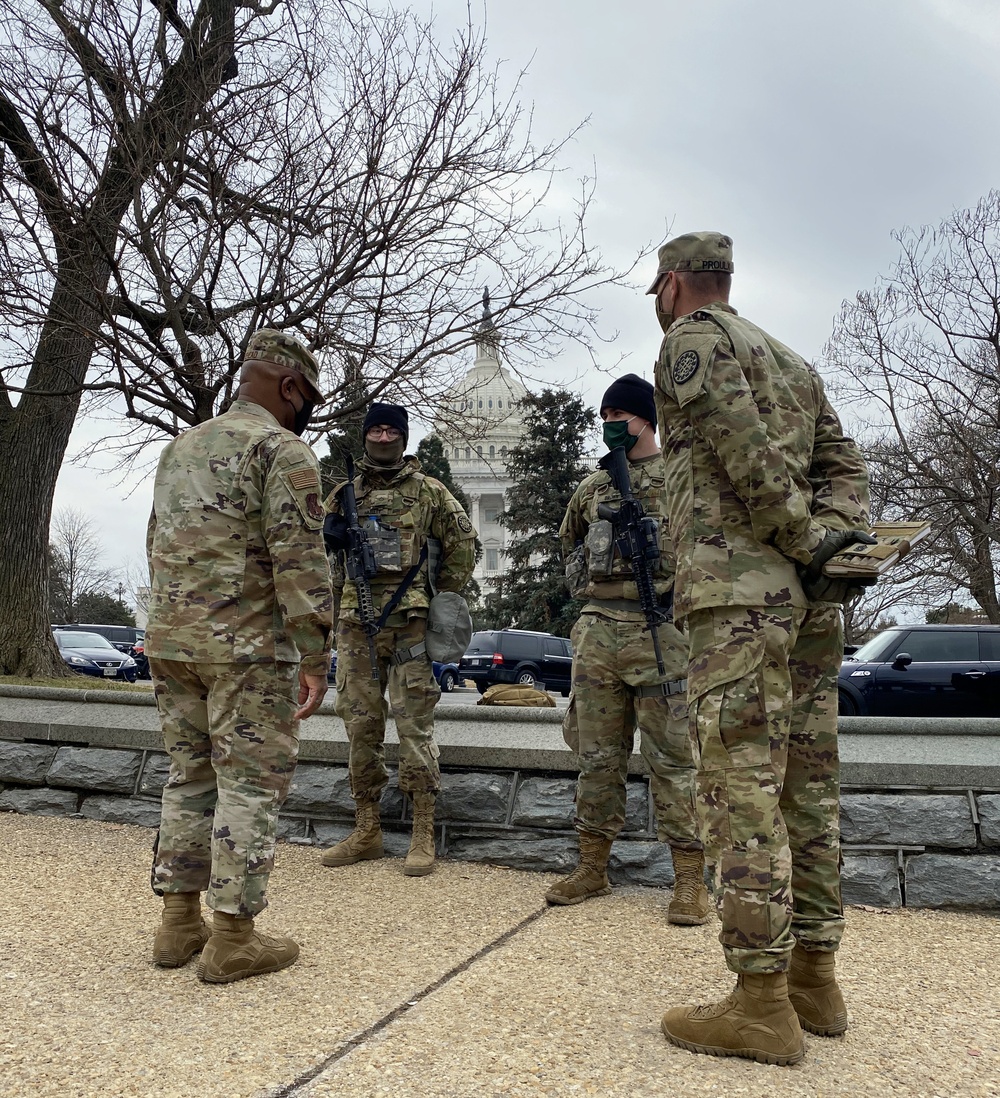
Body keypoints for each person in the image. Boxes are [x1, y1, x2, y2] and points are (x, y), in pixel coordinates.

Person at [649, 232, 872, 1065]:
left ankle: (761, 1002)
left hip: (738, 598)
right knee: (807, 790)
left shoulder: (692, 341)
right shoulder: (793, 361)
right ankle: (816, 976)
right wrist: (834, 543)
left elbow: (743, 453)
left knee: (739, 789)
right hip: (808, 606)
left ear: (673, 284)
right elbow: (843, 461)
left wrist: (801, 537)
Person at [146, 329, 334, 985]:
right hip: (246, 647)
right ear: (289, 387)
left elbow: (156, 543)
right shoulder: (282, 450)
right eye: (307, 397)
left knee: (189, 776)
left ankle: (178, 925)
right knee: (247, 784)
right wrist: (316, 654)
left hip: (170, 640)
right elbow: (301, 561)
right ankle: (232, 937)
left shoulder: (180, 449)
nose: (306, 409)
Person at [545, 374, 710, 927]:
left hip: (660, 629)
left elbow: (706, 551)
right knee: (597, 756)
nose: (612, 421)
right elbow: (568, 544)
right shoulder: (592, 488)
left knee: (674, 760)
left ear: (646, 418)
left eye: (622, 412)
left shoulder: (680, 478)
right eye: (605, 412)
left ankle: (689, 879)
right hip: (598, 632)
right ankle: (592, 865)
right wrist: (587, 585)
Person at [320, 402, 476, 876]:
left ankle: (422, 831)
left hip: (409, 623)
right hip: (355, 624)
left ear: (404, 439)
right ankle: (367, 828)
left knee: (414, 728)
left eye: (392, 430)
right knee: (359, 726)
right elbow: (324, 558)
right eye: (376, 429)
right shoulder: (343, 496)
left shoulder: (429, 492)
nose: (383, 437)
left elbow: (463, 545)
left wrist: (440, 596)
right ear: (365, 436)